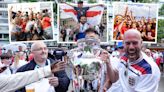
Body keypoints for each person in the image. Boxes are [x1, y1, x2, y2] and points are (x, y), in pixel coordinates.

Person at [0, 58, 66, 92]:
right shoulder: (23, 68)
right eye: (39, 49)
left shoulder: (52, 63)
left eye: (45, 48)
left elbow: (20, 78)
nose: (43, 51)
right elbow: (19, 79)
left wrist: (59, 82)